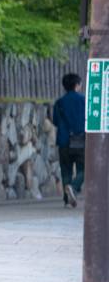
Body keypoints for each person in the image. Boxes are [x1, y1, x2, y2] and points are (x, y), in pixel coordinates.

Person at [53, 72, 85, 208]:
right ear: (77, 85)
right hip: (81, 140)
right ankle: (73, 187)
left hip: (64, 141)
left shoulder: (59, 102)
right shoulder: (84, 100)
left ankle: (67, 199)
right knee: (83, 169)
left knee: (65, 169)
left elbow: (55, 121)